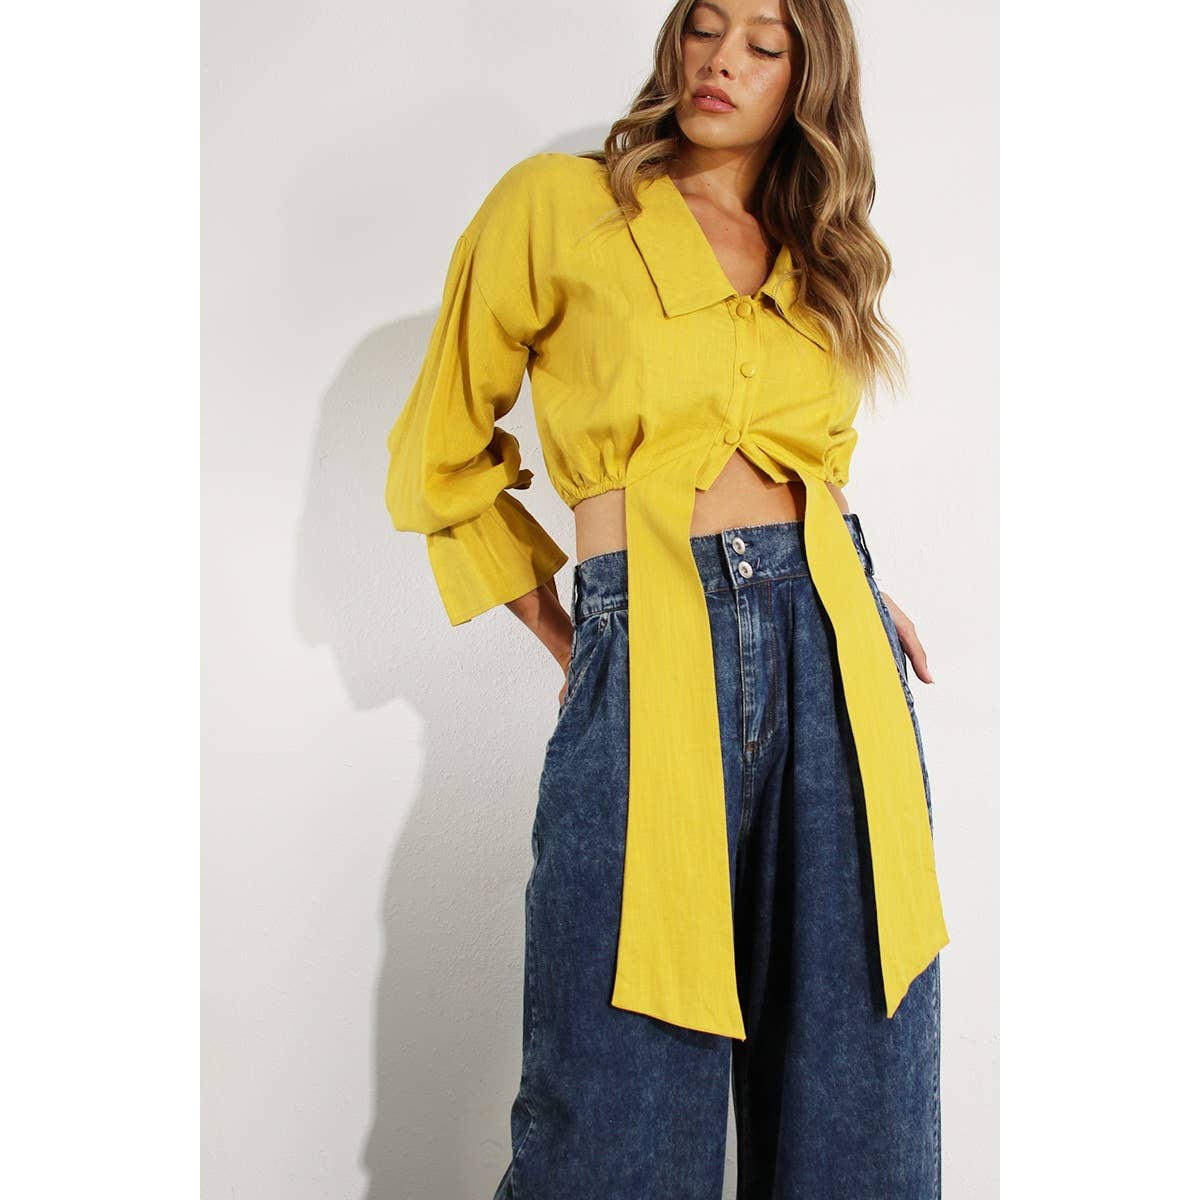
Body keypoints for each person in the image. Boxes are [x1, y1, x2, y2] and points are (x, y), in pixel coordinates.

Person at [384, 1, 950, 1195]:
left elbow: (814, 474)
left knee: (858, 1079)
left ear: (808, 75)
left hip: (839, 653)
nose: (721, 61)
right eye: (704, 25)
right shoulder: (560, 207)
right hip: (647, 639)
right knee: (618, 1098)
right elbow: (438, 454)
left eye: (764, 43)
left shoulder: (820, 251)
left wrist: (857, 594)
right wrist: (575, 634)